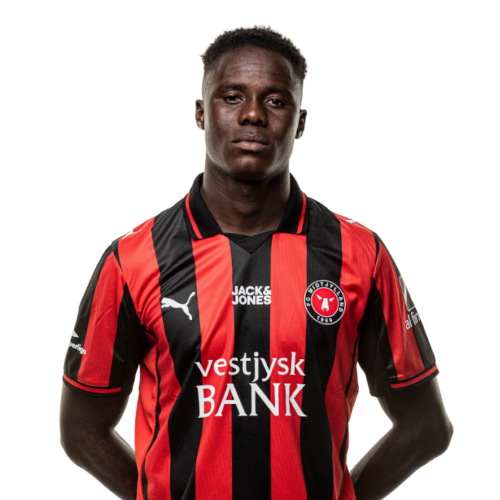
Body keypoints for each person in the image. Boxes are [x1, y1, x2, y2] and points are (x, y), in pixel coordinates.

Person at [59, 24, 455, 500]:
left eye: (275, 100)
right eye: (232, 97)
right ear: (200, 113)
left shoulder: (360, 254)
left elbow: (426, 427)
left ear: (300, 123)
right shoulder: (132, 259)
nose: (252, 114)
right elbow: (81, 429)